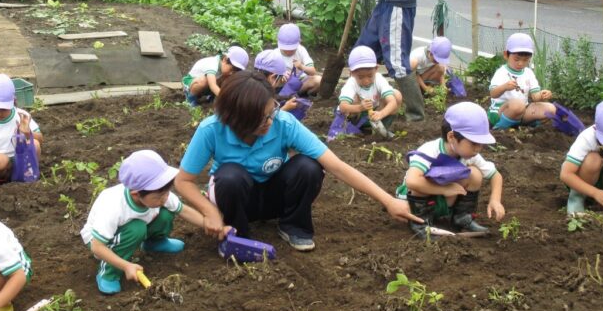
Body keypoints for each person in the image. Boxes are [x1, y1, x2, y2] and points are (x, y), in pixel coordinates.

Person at [174, 71, 422, 252]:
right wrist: (210, 213)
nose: (269, 122)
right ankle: (238, 235)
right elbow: (183, 181)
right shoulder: (212, 129)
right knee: (229, 176)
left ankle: (293, 225)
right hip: (237, 200)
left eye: (271, 112)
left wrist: (389, 201)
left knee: (308, 166)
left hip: (274, 199)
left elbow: (336, 165)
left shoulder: (283, 122)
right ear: (236, 119)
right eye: (261, 120)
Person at [81, 150, 222, 294]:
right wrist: (126, 266)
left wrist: (210, 224)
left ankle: (154, 242)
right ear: (136, 193)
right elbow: (97, 247)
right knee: (136, 229)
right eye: (159, 196)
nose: (165, 198)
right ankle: (109, 273)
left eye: (167, 192)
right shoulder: (113, 206)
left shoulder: (159, 195)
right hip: (102, 240)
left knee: (166, 212)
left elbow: (184, 211)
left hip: (130, 230)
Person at [396, 102, 505, 238]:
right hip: (415, 204)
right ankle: (421, 224)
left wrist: (495, 200)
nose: (478, 149)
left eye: (481, 144)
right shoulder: (429, 151)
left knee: (475, 174)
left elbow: (495, 175)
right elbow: (411, 182)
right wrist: (444, 190)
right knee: (420, 179)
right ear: (452, 137)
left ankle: (461, 218)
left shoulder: (470, 154)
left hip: (442, 202)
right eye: (473, 143)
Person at [488, 33, 556, 130]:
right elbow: (493, 94)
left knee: (550, 110)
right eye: (516, 59)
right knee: (518, 105)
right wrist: (505, 87)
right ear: (506, 55)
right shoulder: (501, 72)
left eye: (525, 60)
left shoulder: (528, 73)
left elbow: (535, 97)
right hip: (500, 111)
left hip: (522, 111)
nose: (520, 63)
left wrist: (542, 95)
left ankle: (522, 126)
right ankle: (498, 129)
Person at [337, 45, 402, 134]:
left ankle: (381, 129)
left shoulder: (378, 79)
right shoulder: (351, 83)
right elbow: (342, 107)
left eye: (370, 76)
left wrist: (381, 114)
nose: (366, 81)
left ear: (376, 69)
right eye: (361, 77)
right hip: (358, 114)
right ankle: (353, 128)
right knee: (353, 99)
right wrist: (360, 107)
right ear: (352, 73)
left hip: (376, 112)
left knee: (396, 95)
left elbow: (393, 102)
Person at [182, 45, 249, 106]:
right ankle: (190, 99)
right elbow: (213, 85)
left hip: (205, 88)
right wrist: (226, 100)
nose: (231, 73)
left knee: (227, 80)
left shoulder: (223, 67)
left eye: (235, 72)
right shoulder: (212, 64)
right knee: (204, 81)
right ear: (225, 60)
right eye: (231, 70)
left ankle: (211, 99)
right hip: (190, 84)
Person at [274, 24, 321, 96]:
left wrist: (301, 66)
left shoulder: (301, 50)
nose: (289, 51)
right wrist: (280, 75)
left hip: (300, 83)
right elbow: (268, 78)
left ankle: (300, 95)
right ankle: (283, 97)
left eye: (292, 49)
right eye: (286, 49)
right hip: (281, 86)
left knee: (318, 80)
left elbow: (312, 72)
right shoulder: (274, 54)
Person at [253, 49, 300, 114]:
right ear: (272, 77)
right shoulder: (259, 97)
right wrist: (285, 108)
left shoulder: (251, 84)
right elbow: (262, 121)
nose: (279, 83)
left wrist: (286, 97)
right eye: (280, 79)